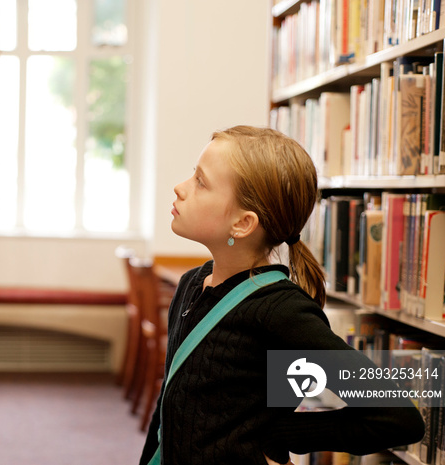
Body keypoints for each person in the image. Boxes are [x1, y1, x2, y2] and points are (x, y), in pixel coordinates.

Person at [138, 125, 425, 465]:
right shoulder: (190, 285)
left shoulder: (281, 312)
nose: (180, 188)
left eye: (201, 182)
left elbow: (396, 416)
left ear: (243, 224)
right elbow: (168, 409)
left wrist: (280, 433)